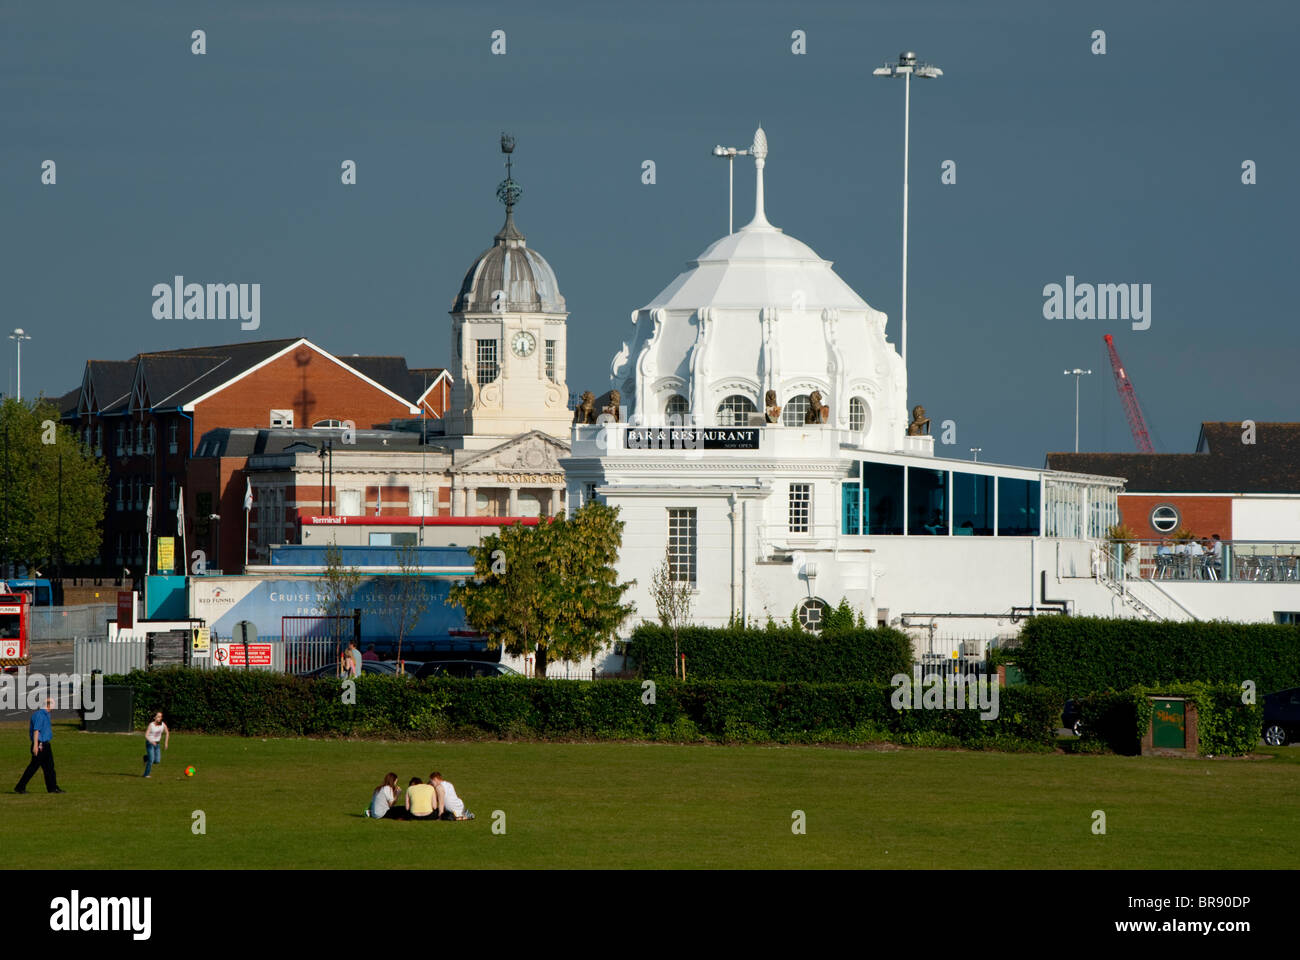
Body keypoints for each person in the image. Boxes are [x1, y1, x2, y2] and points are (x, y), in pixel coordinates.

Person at [15, 696, 63, 794]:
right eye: (53, 703)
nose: (55, 705)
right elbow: (36, 730)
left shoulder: (47, 714)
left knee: (49, 767)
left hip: (46, 745)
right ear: (48, 705)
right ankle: (20, 787)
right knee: (33, 767)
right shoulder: (40, 715)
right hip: (40, 745)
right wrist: (35, 746)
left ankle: (53, 788)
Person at [142, 711, 169, 777]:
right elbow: (146, 735)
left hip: (157, 744)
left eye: (161, 717)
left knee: (157, 761)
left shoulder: (163, 724)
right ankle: (146, 774)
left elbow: (167, 733)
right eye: (158, 717)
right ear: (154, 718)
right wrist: (151, 741)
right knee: (151, 760)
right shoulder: (151, 725)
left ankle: (146, 758)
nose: (160, 718)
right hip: (150, 744)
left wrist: (166, 743)